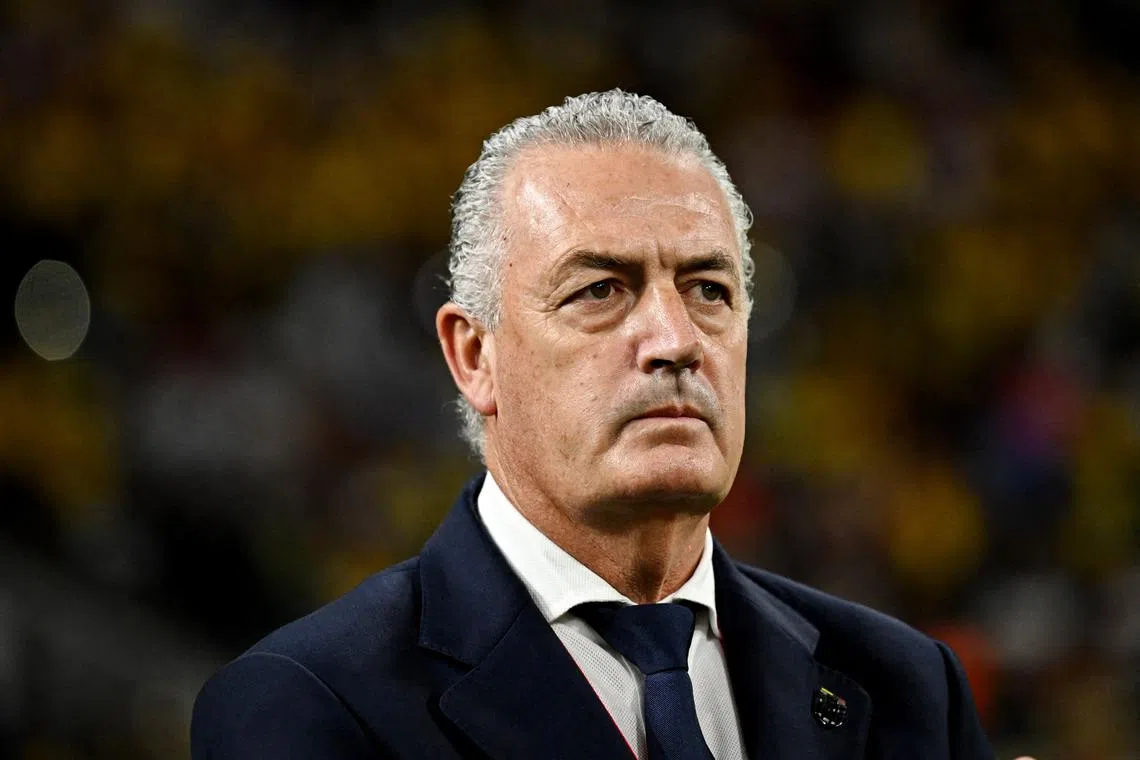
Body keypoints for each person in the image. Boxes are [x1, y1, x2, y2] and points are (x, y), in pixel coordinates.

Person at [191, 90, 1005, 759]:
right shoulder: (309, 704)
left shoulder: (908, 689)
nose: (676, 340)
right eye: (601, 290)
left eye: (708, 290)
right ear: (475, 356)